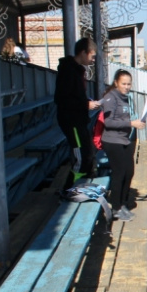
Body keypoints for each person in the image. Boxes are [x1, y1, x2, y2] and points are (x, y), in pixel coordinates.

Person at [54, 37, 101, 191]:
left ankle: (82, 188)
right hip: (72, 121)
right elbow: (61, 99)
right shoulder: (68, 71)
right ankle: (69, 190)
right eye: (92, 56)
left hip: (79, 119)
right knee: (81, 156)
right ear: (83, 53)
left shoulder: (76, 70)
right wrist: (86, 104)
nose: (93, 60)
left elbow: (75, 96)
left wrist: (86, 101)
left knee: (88, 153)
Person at [100, 69, 145, 221]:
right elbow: (108, 122)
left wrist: (137, 123)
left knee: (129, 172)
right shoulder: (110, 98)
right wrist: (131, 123)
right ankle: (115, 207)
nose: (126, 87)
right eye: (123, 84)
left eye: (129, 84)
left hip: (124, 139)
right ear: (116, 83)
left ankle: (123, 204)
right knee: (119, 173)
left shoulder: (126, 98)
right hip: (112, 141)